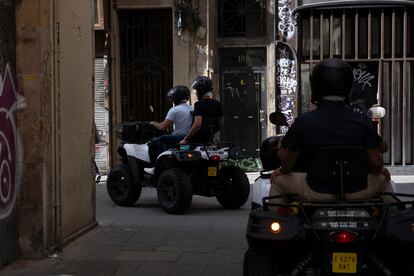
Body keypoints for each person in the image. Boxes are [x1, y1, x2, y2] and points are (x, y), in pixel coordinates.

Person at [269, 58, 392, 205]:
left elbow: (287, 163)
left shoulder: (303, 122)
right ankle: (390, 225)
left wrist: (281, 171)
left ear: (315, 87)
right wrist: (378, 171)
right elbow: (376, 162)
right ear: (349, 87)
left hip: (315, 192)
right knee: (384, 180)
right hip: (358, 192)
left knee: (277, 180)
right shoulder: (361, 121)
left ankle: (280, 226)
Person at [144, 85, 193, 174]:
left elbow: (163, 127)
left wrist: (154, 123)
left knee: (153, 144)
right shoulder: (191, 108)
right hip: (188, 138)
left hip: (179, 137)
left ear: (175, 99)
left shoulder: (174, 110)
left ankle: (155, 166)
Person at [179, 76, 224, 144]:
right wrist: (211, 134)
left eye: (196, 91)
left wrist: (186, 139)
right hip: (209, 139)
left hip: (196, 140)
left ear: (200, 91)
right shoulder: (217, 104)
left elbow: (197, 124)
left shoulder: (199, 104)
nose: (196, 93)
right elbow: (221, 122)